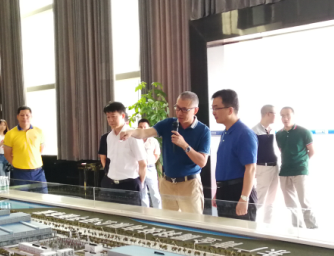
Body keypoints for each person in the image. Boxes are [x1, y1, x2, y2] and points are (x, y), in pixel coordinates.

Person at [120, 91, 210, 214]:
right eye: (177, 108)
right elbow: (145, 132)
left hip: (189, 184)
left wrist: (184, 145)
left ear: (195, 110)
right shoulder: (168, 124)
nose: (179, 113)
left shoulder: (203, 131)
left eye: (184, 109)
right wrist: (131, 132)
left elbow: (202, 162)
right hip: (167, 183)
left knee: (192, 222)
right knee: (169, 221)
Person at [211, 89, 258, 221]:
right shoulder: (225, 132)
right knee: (225, 231)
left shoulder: (244, 133)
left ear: (230, 110)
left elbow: (251, 168)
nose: (213, 112)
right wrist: (218, 191)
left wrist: (244, 198)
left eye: (216, 108)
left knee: (241, 232)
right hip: (224, 191)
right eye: (212, 108)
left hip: (238, 192)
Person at [276, 107, 318, 229]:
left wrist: (301, 162)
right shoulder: (279, 134)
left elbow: (312, 151)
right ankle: (297, 229)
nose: (285, 118)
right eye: (282, 115)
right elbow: (282, 151)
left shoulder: (304, 132)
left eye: (288, 115)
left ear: (293, 115)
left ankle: (312, 229)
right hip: (284, 172)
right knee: (290, 205)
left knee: (304, 202)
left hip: (300, 171)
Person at [101, 102, 146, 206]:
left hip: (130, 184)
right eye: (108, 117)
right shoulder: (109, 137)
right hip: (111, 184)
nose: (110, 120)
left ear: (122, 116)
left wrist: (141, 183)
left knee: (131, 215)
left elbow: (143, 163)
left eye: (113, 116)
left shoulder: (133, 135)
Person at [3, 106, 47, 191]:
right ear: (17, 117)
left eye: (27, 115)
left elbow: (40, 149)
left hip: (38, 172)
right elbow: (7, 154)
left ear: (31, 116)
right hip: (20, 173)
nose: (25, 117)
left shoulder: (39, 131)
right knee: (22, 198)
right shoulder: (10, 134)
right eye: (22, 115)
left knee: (42, 197)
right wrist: (17, 163)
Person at [251, 105, 280, 224]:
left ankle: (268, 225)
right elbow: (252, 152)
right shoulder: (254, 131)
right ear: (268, 114)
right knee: (260, 199)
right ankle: (251, 223)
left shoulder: (273, 130)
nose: (276, 116)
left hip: (275, 167)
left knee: (271, 200)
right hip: (262, 167)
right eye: (275, 113)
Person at [137, 119, 161, 208]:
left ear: (149, 128)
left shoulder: (154, 141)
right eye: (140, 127)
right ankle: (145, 212)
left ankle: (158, 212)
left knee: (154, 192)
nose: (143, 129)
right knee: (142, 192)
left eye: (145, 127)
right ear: (137, 128)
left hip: (150, 168)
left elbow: (157, 154)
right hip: (138, 169)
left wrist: (150, 162)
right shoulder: (135, 140)